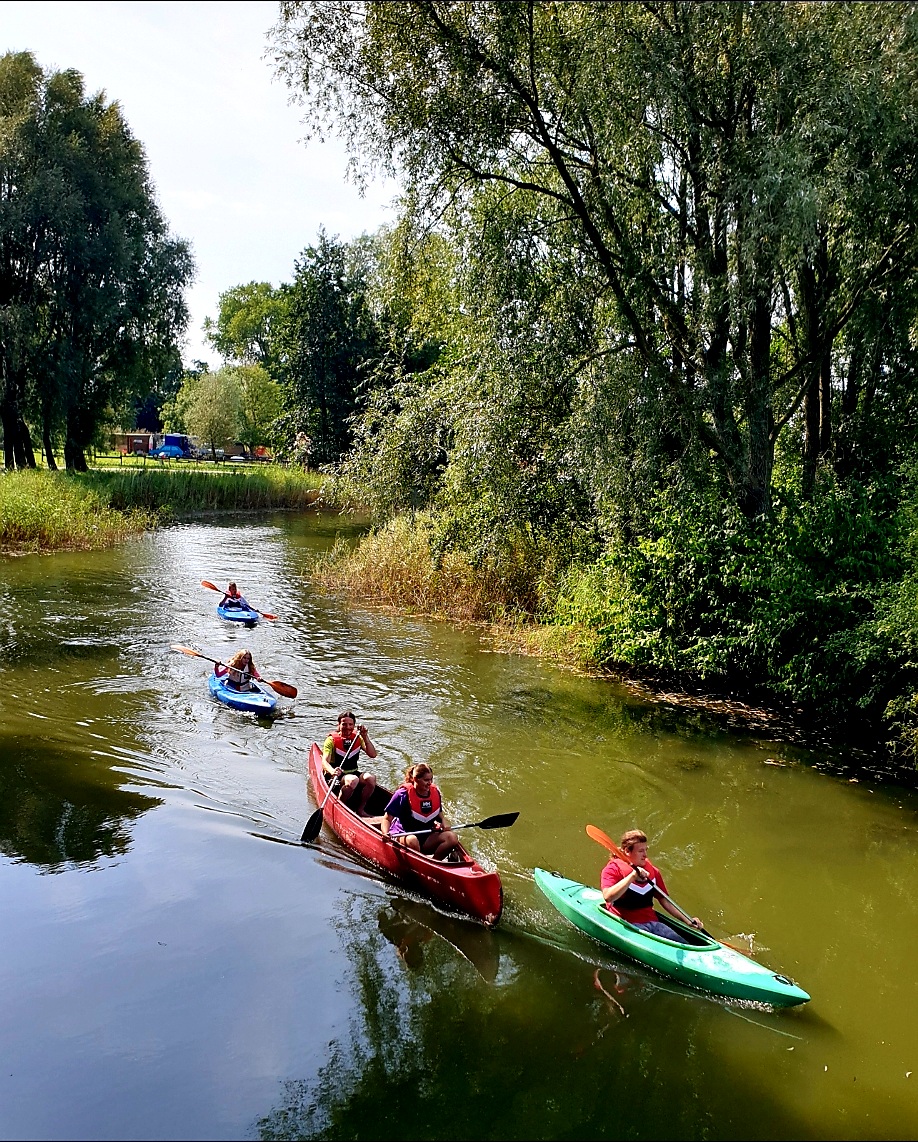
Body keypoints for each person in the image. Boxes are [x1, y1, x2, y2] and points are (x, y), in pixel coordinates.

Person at [601, 829, 704, 943]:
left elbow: (665, 900)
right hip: (628, 924)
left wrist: (687, 920)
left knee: (683, 943)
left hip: (653, 923)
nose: (645, 855)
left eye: (646, 850)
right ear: (627, 851)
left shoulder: (653, 872)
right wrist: (632, 877)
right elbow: (608, 897)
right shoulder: (612, 870)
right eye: (640, 851)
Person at [380, 763, 460, 862]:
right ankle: (421, 863)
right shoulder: (402, 794)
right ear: (416, 779)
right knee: (412, 840)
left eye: (431, 779)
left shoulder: (435, 792)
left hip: (426, 837)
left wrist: (444, 821)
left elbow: (439, 814)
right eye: (426, 780)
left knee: (452, 837)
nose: (429, 783)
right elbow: (387, 818)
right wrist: (385, 833)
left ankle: (434, 863)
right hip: (404, 834)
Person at [322, 711, 378, 816]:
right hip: (337, 775)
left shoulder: (358, 738)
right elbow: (324, 761)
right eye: (344, 724)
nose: (347, 727)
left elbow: (373, 754)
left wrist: (365, 736)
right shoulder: (331, 740)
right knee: (353, 780)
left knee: (371, 778)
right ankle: (340, 807)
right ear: (339, 725)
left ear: (354, 726)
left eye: (350, 724)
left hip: (353, 772)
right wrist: (332, 771)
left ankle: (360, 809)